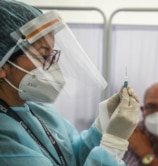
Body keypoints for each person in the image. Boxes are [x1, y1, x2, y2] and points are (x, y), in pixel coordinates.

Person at [0, 0, 140, 165]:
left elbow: (71, 156)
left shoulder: (37, 110)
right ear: (3, 66)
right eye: (43, 56)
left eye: (52, 55)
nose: (53, 66)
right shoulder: (5, 142)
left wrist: (104, 125)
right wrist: (113, 145)